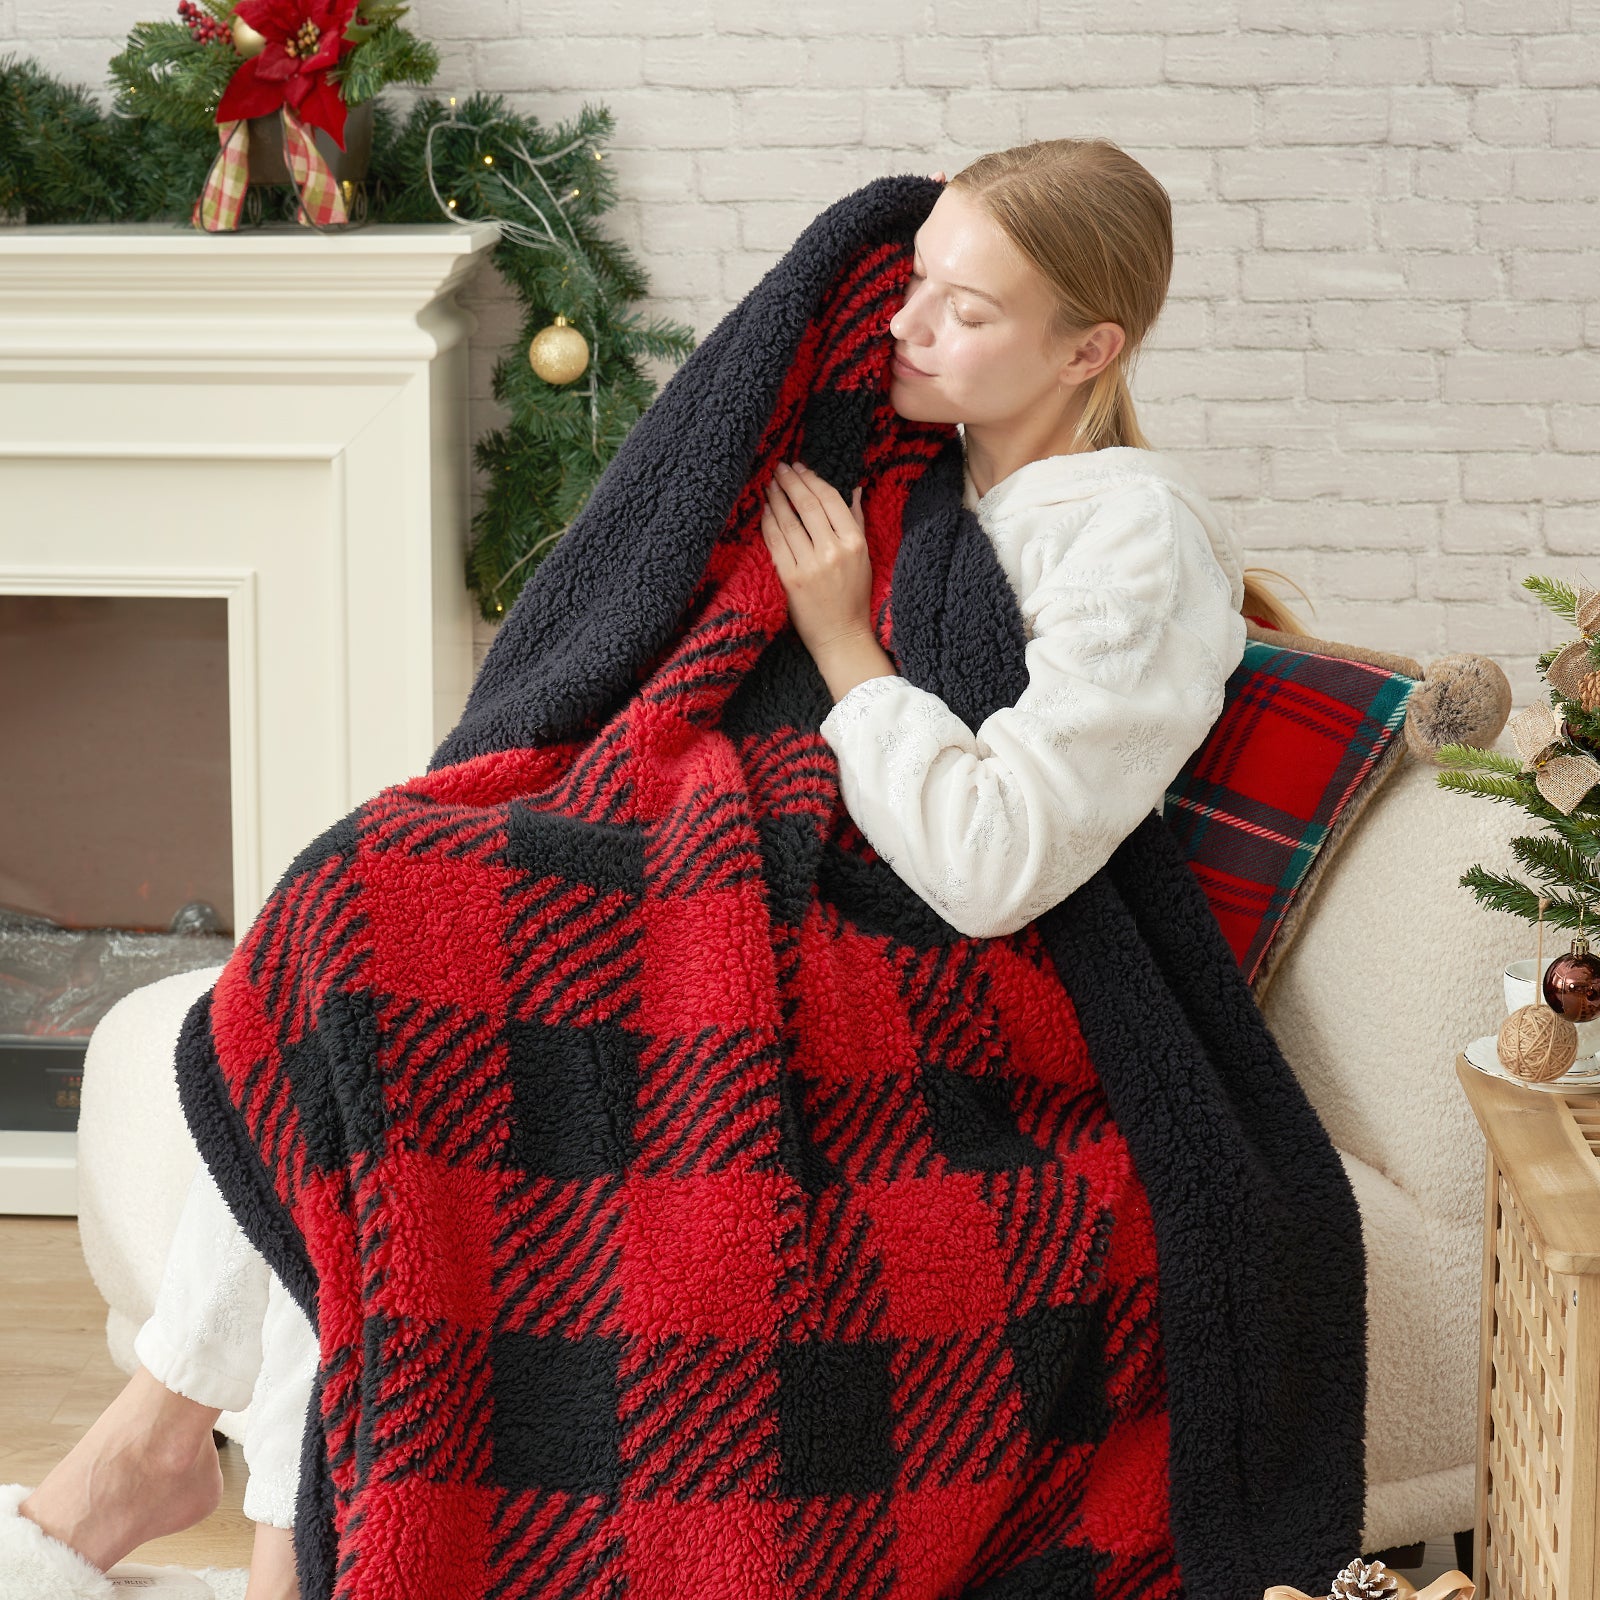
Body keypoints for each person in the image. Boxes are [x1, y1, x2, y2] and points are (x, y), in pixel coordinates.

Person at [3, 139, 1308, 1600]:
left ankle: (233, 1495)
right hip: (772, 900)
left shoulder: (1134, 538)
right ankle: (206, 1457)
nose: (907, 328)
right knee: (376, 938)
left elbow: (994, 865)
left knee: (388, 918)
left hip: (963, 1000)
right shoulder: (903, 470)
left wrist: (841, 644)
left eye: (968, 310)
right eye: (916, 282)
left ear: (1092, 346)